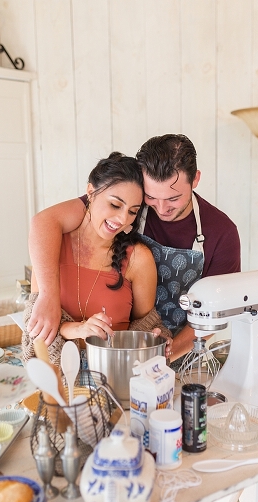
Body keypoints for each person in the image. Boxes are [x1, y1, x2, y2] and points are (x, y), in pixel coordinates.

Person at [25, 135, 241, 360]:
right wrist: (48, 297)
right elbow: (45, 222)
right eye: (151, 197)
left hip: (184, 352)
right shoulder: (126, 204)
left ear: (195, 179)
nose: (161, 208)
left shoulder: (222, 233)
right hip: (127, 355)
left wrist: (165, 352)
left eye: (173, 198)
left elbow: (215, 311)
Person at [21, 153, 172, 365]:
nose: (122, 219)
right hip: (57, 386)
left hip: (116, 380)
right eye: (115, 205)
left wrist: (157, 338)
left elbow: (145, 326)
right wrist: (79, 329)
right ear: (91, 192)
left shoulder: (138, 259)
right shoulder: (51, 246)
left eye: (132, 211)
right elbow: (34, 333)